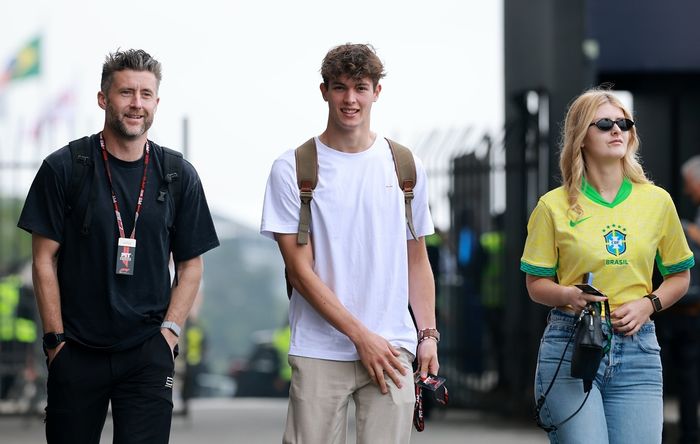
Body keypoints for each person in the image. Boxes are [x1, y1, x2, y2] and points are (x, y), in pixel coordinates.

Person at [17, 49, 219, 444]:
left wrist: (169, 336)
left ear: (156, 102)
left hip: (147, 351)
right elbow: (43, 260)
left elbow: (190, 265)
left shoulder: (178, 175)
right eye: (126, 92)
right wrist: (56, 342)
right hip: (76, 350)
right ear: (103, 98)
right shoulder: (65, 167)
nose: (136, 104)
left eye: (146, 94)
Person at [260, 43, 439, 443]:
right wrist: (361, 337)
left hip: (392, 347)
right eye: (340, 87)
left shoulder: (405, 166)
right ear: (324, 91)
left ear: (377, 91)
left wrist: (427, 334)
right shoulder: (293, 169)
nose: (350, 99)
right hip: (320, 349)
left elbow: (416, 260)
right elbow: (299, 272)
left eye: (360, 87)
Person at [520, 87, 694, 443]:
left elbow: (680, 276)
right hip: (572, 344)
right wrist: (568, 295)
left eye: (624, 123)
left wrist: (649, 304)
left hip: (638, 350)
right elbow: (536, 285)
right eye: (604, 124)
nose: (617, 130)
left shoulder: (657, 201)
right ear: (581, 136)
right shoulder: (552, 206)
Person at [657, 154, 700, 444]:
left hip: (689, 307)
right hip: (680, 307)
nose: (686, 190)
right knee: (683, 373)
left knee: (684, 373)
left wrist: (685, 229)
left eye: (689, 183)